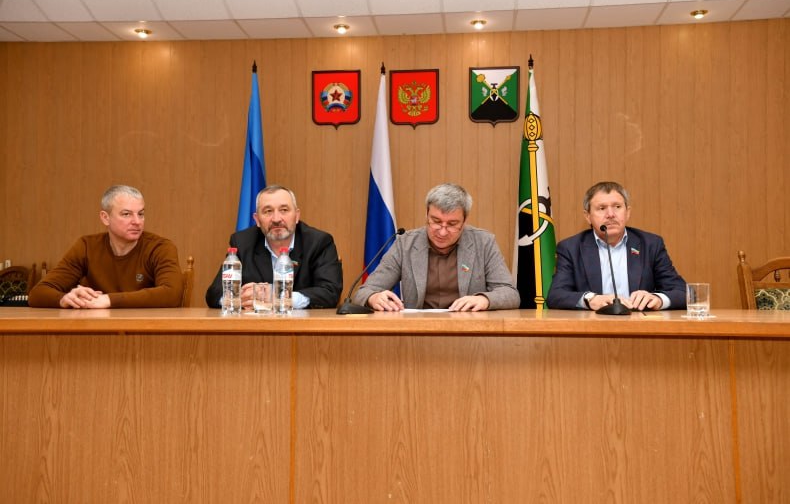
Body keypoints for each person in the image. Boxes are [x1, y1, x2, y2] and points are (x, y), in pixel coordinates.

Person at [353, 183, 520, 311]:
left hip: (469, 332)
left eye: (452, 224)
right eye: (436, 221)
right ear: (426, 215)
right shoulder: (406, 244)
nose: (442, 231)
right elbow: (364, 292)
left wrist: (484, 299)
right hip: (419, 332)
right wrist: (373, 297)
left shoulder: (483, 243)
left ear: (464, 221)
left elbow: (510, 294)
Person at [28, 185, 184, 308]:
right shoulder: (87, 246)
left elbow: (172, 294)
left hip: (145, 331)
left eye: (141, 214)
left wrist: (109, 300)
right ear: (105, 218)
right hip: (95, 329)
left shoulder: (160, 247)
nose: (137, 222)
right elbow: (37, 293)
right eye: (126, 214)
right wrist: (64, 299)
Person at [546, 181, 686, 311]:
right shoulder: (571, 248)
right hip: (593, 324)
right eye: (602, 208)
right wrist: (591, 299)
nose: (611, 214)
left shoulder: (650, 244)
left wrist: (658, 299)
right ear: (587, 216)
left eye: (617, 207)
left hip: (638, 323)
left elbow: (682, 292)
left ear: (627, 212)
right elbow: (556, 295)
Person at [205, 185, 343, 309]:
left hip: (303, 326)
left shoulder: (318, 242)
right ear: (257, 220)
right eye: (268, 211)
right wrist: (238, 298)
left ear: (296, 216)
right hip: (255, 326)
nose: (276, 219)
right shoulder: (242, 242)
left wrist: (277, 297)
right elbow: (214, 293)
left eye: (284, 210)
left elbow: (330, 292)